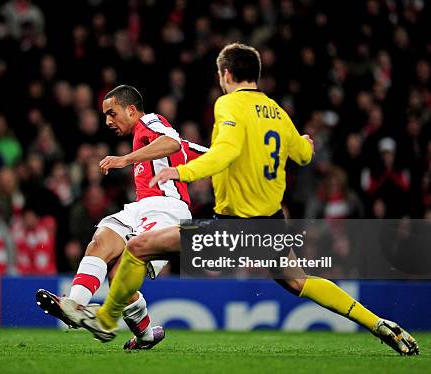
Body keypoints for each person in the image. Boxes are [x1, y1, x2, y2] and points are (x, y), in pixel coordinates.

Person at [60, 43, 419, 356]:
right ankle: (378, 323)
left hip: (231, 228)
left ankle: (106, 319)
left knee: (138, 248)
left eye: (220, 75)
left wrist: (181, 173)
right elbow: (304, 155)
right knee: (300, 281)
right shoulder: (277, 112)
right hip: (270, 224)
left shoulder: (229, 105)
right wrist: (307, 145)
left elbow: (225, 152)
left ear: (226, 73)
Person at [36, 85, 207, 350]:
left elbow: (173, 141)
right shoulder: (150, 137)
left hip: (168, 209)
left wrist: (124, 159)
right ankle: (76, 307)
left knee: (120, 273)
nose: (108, 121)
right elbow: (199, 151)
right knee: (101, 242)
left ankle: (104, 320)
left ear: (131, 109)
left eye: (112, 113)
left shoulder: (150, 122)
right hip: (141, 207)